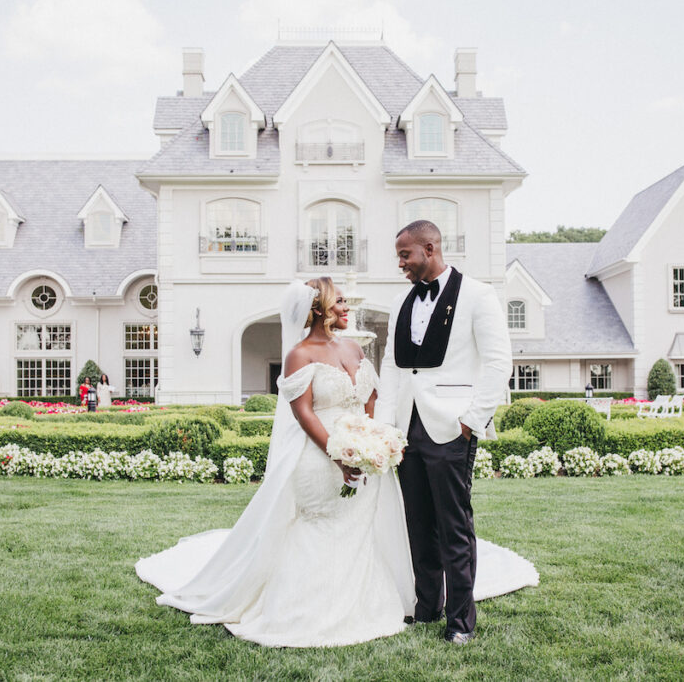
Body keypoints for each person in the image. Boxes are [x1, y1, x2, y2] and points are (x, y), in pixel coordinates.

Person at [135, 277, 537, 648]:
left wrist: (373, 438)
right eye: (340, 302)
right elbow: (304, 413)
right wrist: (339, 453)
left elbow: (374, 396)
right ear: (318, 310)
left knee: (371, 527)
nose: (347, 308)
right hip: (320, 455)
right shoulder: (298, 355)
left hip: (363, 448)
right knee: (324, 526)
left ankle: (399, 600)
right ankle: (311, 605)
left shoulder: (354, 348)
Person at [377, 219, 516, 644]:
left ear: (430, 249)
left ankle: (461, 622)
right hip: (407, 431)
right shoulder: (402, 303)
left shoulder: (478, 295)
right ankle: (427, 607)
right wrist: (386, 428)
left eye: (406, 255)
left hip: (452, 429)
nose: (400, 263)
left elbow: (498, 363)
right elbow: (392, 366)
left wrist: (471, 422)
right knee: (418, 523)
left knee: (453, 526)